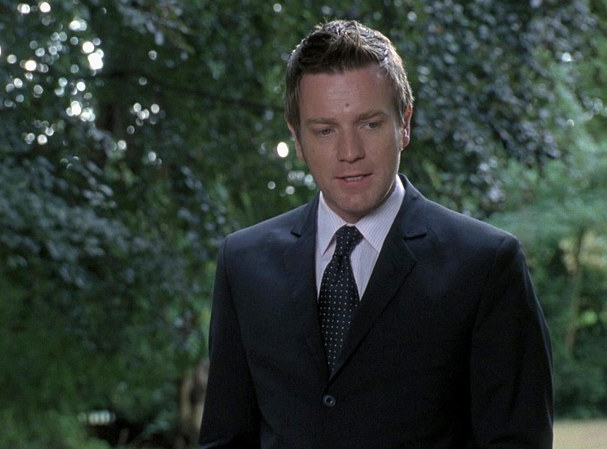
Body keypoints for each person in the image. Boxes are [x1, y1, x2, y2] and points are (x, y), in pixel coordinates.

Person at [198, 19, 553, 449]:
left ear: (404, 123)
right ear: (298, 139)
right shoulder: (243, 263)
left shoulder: (486, 265)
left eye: (369, 124)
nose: (349, 152)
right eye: (325, 130)